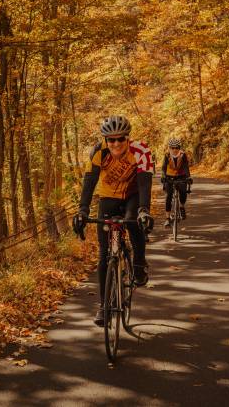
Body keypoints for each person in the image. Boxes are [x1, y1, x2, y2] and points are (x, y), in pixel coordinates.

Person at [72, 115, 154, 327]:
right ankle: (104, 306)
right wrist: (82, 210)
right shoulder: (99, 152)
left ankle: (138, 264)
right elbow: (89, 182)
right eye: (111, 140)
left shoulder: (141, 150)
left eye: (120, 139)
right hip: (108, 198)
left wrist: (144, 210)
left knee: (132, 221)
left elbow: (145, 183)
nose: (116, 143)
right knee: (103, 255)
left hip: (133, 196)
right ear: (106, 140)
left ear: (128, 138)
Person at [160, 138, 192, 227]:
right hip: (169, 177)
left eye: (176, 148)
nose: (174, 150)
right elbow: (163, 167)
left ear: (179, 148)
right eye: (172, 148)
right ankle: (167, 219)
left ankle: (181, 206)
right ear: (169, 148)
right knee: (168, 196)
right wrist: (163, 176)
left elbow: (186, 167)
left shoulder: (183, 155)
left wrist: (188, 177)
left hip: (181, 177)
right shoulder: (167, 155)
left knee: (183, 193)